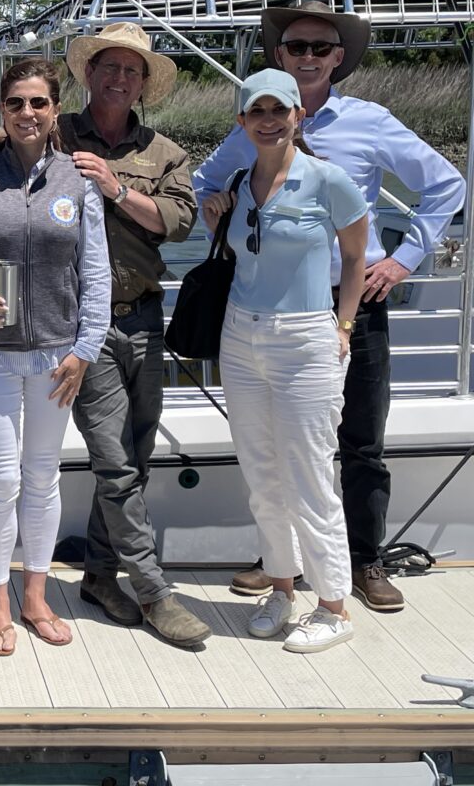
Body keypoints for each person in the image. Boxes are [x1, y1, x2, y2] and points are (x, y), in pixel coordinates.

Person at [194, 1, 466, 612]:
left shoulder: (369, 122)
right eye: (297, 47)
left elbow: (448, 183)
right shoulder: (256, 126)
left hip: (350, 302)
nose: (309, 56)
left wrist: (401, 260)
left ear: (339, 58)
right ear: (279, 56)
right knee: (272, 442)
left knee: (360, 439)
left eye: (321, 48)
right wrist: (214, 202)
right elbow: (205, 182)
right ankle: (279, 562)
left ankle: (364, 561)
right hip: (269, 310)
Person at [0, 59, 110, 655]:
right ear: (2, 110)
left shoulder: (79, 180)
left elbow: (95, 272)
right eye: (15, 103)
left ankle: (35, 596)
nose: (27, 114)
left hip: (56, 355)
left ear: (54, 109)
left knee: (43, 477)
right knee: (3, 478)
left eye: (38, 102)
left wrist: (86, 350)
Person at [202, 68, 368, 652]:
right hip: (241, 337)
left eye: (280, 111)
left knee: (311, 476)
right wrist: (213, 212)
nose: (268, 121)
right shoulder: (242, 183)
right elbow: (224, 240)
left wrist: (343, 325)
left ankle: (334, 606)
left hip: (306, 339)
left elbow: (355, 262)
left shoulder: (329, 181)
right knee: (262, 475)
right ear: (243, 121)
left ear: (299, 116)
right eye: (257, 112)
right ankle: (281, 586)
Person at [57, 22, 212, 648]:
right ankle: (153, 591)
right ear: (89, 74)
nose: (120, 78)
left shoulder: (166, 152)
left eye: (132, 70)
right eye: (109, 67)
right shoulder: (55, 132)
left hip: (146, 319)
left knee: (136, 459)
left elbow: (177, 222)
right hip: (79, 327)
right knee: (115, 462)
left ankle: (99, 573)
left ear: (144, 83)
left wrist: (116, 188)